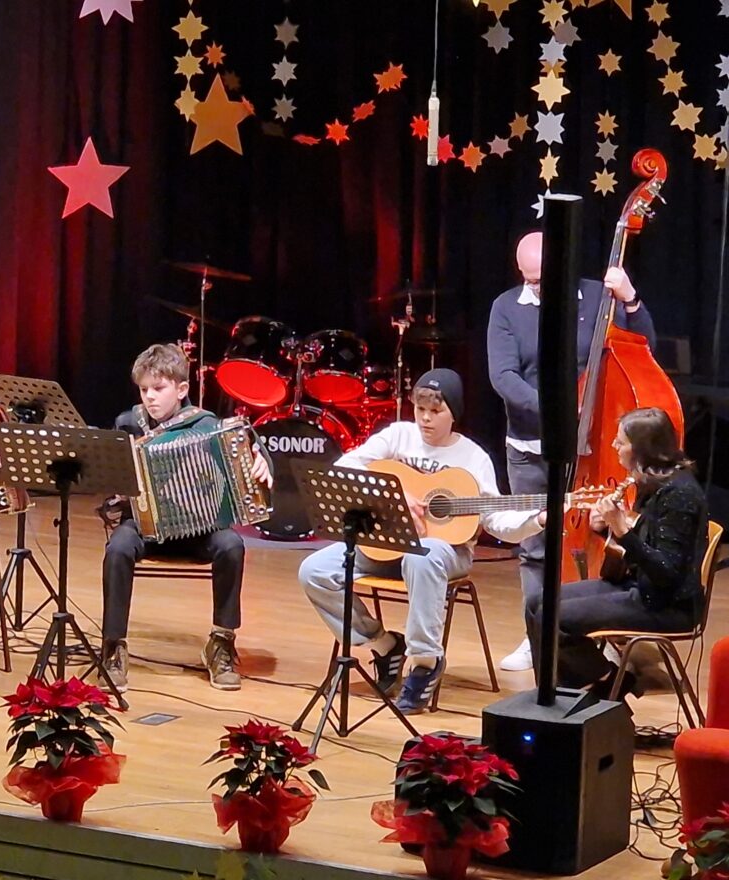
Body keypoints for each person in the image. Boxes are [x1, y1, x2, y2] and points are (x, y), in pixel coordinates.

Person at [298, 369, 545, 714]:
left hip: (446, 552)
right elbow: (344, 467)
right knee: (314, 571)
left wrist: (536, 520)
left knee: (422, 554)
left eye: (436, 411)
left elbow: (496, 521)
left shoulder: (473, 457)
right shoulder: (398, 435)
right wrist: (394, 494)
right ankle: (384, 645)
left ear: (453, 413)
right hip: (385, 543)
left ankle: (425, 663)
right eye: (420, 409)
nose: (426, 419)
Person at [487, 230, 657, 672]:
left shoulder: (597, 296)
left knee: (599, 540)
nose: (537, 288)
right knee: (535, 546)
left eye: (544, 279)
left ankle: (601, 632)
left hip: (591, 450)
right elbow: (504, 377)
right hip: (530, 445)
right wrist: (556, 409)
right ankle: (538, 635)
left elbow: (643, 350)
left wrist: (630, 299)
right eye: (530, 280)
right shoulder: (506, 307)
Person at [99, 343, 273, 691]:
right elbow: (108, 484)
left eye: (158, 388)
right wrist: (116, 493)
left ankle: (221, 642)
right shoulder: (127, 424)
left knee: (231, 544)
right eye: (144, 389)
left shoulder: (208, 425)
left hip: (199, 530)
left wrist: (261, 463)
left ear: (181, 389)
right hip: (145, 527)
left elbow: (251, 453)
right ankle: (113, 646)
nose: (150, 397)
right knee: (118, 547)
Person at [525, 407, 708, 700]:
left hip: (667, 605)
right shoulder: (652, 482)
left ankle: (605, 684)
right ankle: (555, 695)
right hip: (639, 587)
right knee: (536, 602)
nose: (614, 446)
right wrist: (606, 530)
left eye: (620, 441)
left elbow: (666, 573)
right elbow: (640, 548)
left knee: (555, 617)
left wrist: (621, 530)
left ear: (641, 449)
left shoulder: (679, 494)